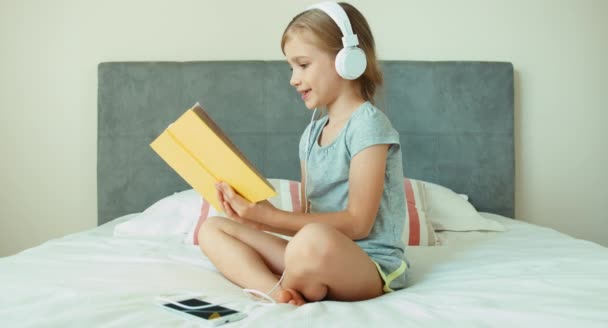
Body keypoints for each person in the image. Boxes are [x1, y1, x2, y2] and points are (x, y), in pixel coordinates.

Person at [198, 2, 408, 306]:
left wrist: (272, 217)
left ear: (346, 60)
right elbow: (309, 218)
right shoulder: (311, 135)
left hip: (367, 264)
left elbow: (359, 223)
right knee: (212, 228)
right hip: (312, 252)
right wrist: (258, 219)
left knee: (310, 242)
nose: (293, 79)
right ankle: (279, 293)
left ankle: (296, 280)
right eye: (291, 67)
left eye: (303, 65)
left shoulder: (369, 125)